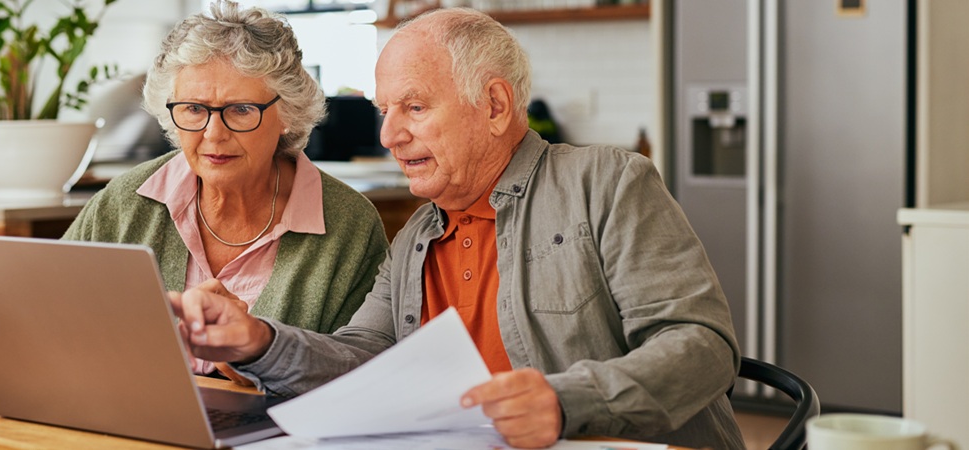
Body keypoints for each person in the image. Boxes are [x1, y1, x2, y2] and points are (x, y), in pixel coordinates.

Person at [171, 7, 746, 450]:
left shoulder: (606, 183)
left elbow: (702, 349)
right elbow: (364, 360)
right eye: (383, 111)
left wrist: (566, 401)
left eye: (414, 108)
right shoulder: (418, 233)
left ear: (495, 106)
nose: (388, 136)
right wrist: (259, 342)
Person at [62, 1, 389, 381]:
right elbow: (50, 311)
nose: (214, 135)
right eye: (194, 109)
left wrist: (253, 356)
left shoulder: (349, 226)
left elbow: (357, 373)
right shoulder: (124, 201)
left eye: (241, 110)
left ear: (288, 114)